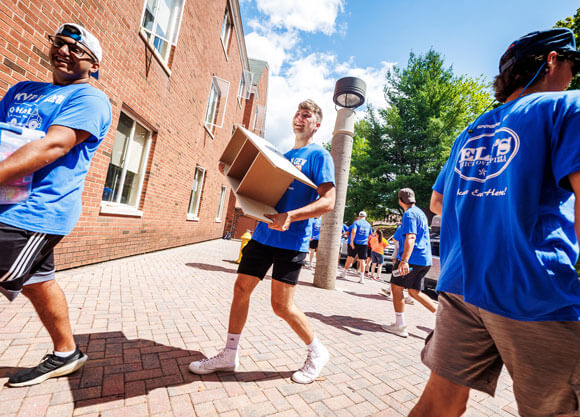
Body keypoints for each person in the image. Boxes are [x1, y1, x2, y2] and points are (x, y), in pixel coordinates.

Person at [409, 28, 580, 417]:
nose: (573, 75)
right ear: (552, 61)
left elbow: (437, 200)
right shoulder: (568, 108)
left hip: (461, 285)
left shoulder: (470, 132)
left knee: (438, 402)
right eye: (572, 64)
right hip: (535, 289)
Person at [189, 99, 336, 384]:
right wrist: (232, 171)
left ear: (316, 125)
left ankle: (318, 352)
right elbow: (260, 188)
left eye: (306, 115)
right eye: (297, 112)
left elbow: (328, 202)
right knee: (241, 288)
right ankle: (229, 354)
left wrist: (290, 216)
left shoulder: (320, 155)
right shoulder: (282, 155)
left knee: (281, 306)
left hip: (292, 241)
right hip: (262, 235)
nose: (298, 117)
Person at [0, 23, 112, 387]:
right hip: (6, 203)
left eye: (77, 49)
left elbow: (54, 146)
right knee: (37, 281)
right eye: (60, 43)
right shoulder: (22, 90)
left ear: (93, 65)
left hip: (33, 213)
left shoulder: (89, 99)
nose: (65, 51)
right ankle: (67, 352)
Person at [383, 189, 436, 337]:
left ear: (400, 200)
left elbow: (411, 237)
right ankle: (441, 318)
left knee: (396, 288)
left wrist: (404, 260)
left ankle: (400, 326)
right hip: (425, 259)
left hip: (412, 259)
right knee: (414, 292)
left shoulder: (409, 214)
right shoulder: (420, 213)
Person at [342, 211, 372, 283]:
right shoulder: (368, 225)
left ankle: (344, 273)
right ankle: (362, 278)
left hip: (355, 242)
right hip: (364, 244)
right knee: (362, 261)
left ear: (359, 216)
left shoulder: (356, 223)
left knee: (349, 258)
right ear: (365, 217)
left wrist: (352, 242)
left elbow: (353, 232)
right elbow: (369, 235)